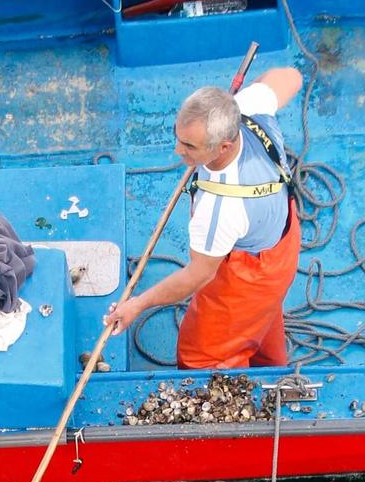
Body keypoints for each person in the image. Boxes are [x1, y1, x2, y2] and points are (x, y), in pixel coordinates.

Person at [106, 66, 304, 368]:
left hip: (250, 277)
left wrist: (136, 305)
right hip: (282, 245)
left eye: (189, 147)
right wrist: (235, 101)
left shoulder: (219, 209)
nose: (177, 151)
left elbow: (197, 276)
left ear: (223, 146)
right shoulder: (248, 109)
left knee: (204, 358)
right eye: (178, 137)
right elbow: (291, 76)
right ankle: (269, 367)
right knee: (263, 321)